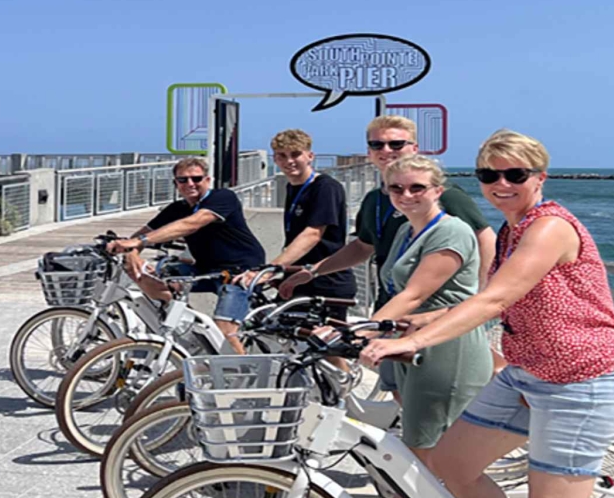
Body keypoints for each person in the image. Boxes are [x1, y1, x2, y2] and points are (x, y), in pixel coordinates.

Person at [360, 130, 614, 498]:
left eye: (515, 174)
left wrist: (417, 339)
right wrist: (391, 328)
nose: (502, 184)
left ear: (540, 177)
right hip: (528, 373)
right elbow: (485, 299)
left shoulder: (550, 227)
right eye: (490, 175)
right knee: (447, 465)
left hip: (584, 380)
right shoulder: (512, 231)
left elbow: (497, 298)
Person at [309, 155, 493, 498]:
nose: (407, 195)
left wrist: (355, 328)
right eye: (397, 189)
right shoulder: (410, 232)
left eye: (417, 188)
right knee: (436, 462)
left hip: (445, 352)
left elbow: (414, 295)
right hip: (412, 351)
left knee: (422, 464)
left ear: (437, 190)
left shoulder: (450, 231)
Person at [281, 115, 495, 386]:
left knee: (437, 392)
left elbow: (484, 237)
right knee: (393, 384)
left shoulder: (441, 194)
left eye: (396, 144)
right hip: (391, 304)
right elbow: (363, 246)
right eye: (377, 145)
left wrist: (480, 297)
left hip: (433, 313)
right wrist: (312, 272)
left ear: (413, 148)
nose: (386, 151)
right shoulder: (376, 199)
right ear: (369, 152)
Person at [107, 156, 265, 349]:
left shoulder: (223, 197)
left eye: (196, 179)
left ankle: (242, 374)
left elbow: (192, 223)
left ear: (207, 180)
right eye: (183, 180)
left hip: (241, 272)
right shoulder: (177, 208)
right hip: (206, 270)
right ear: (176, 184)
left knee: (224, 331)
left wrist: (140, 242)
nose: (190, 184)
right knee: (149, 275)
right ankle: (186, 330)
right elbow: (141, 235)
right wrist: (132, 253)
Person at [243, 129, 355, 306]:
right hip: (296, 279)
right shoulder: (291, 187)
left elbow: (313, 234)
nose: (289, 161)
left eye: (295, 154)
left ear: (310, 156)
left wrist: (271, 268)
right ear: (275, 160)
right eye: (282, 156)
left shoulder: (325, 187)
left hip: (326, 280)